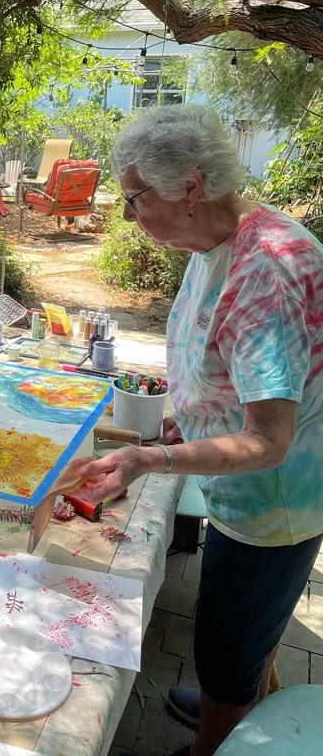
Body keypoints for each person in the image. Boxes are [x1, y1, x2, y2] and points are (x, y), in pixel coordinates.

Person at [59, 105, 323, 756]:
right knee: (241, 632)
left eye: (133, 198)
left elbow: (269, 439)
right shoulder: (213, 242)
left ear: (190, 187)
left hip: (272, 507)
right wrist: (183, 420)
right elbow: (225, 370)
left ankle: (218, 731)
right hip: (245, 490)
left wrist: (149, 461)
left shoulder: (268, 270)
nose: (126, 216)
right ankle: (223, 697)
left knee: (229, 639)